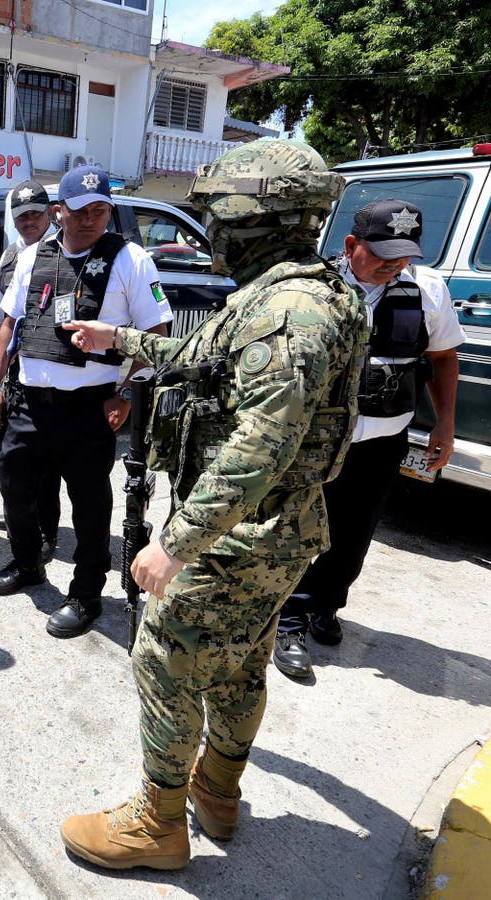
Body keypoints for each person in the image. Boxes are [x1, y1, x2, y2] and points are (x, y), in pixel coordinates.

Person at [56, 139, 367, 871]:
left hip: (240, 534)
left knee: (163, 658)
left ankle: (157, 825)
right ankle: (218, 795)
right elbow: (207, 361)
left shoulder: (291, 310)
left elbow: (263, 442)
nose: (213, 231)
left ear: (259, 217)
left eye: (220, 215)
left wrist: (177, 543)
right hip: (267, 530)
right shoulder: (288, 291)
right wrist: (122, 339)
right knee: (237, 665)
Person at [272, 200, 465, 678]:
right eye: (382, 254)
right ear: (351, 245)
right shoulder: (313, 288)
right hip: (315, 438)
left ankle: (326, 606)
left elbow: (443, 359)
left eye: (404, 255)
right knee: (298, 526)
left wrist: (444, 425)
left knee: (355, 531)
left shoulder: (427, 290)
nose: (394, 265)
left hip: (383, 438)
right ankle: (288, 618)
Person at [0, 164, 171, 639]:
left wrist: (126, 394)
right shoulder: (31, 257)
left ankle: (86, 593)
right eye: (81, 210)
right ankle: (28, 565)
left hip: (91, 407)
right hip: (31, 404)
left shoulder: (130, 259)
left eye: (101, 210)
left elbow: (157, 333)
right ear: (58, 212)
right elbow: (11, 322)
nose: (90, 219)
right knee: (14, 485)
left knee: (89, 506)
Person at [0, 180, 60, 560]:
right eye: (21, 216)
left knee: (48, 460)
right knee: (18, 454)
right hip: (18, 367)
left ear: (51, 213)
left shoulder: (63, 251)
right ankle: (20, 517)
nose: (28, 222)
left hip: (53, 370)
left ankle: (46, 531)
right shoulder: (11, 256)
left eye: (35, 214)